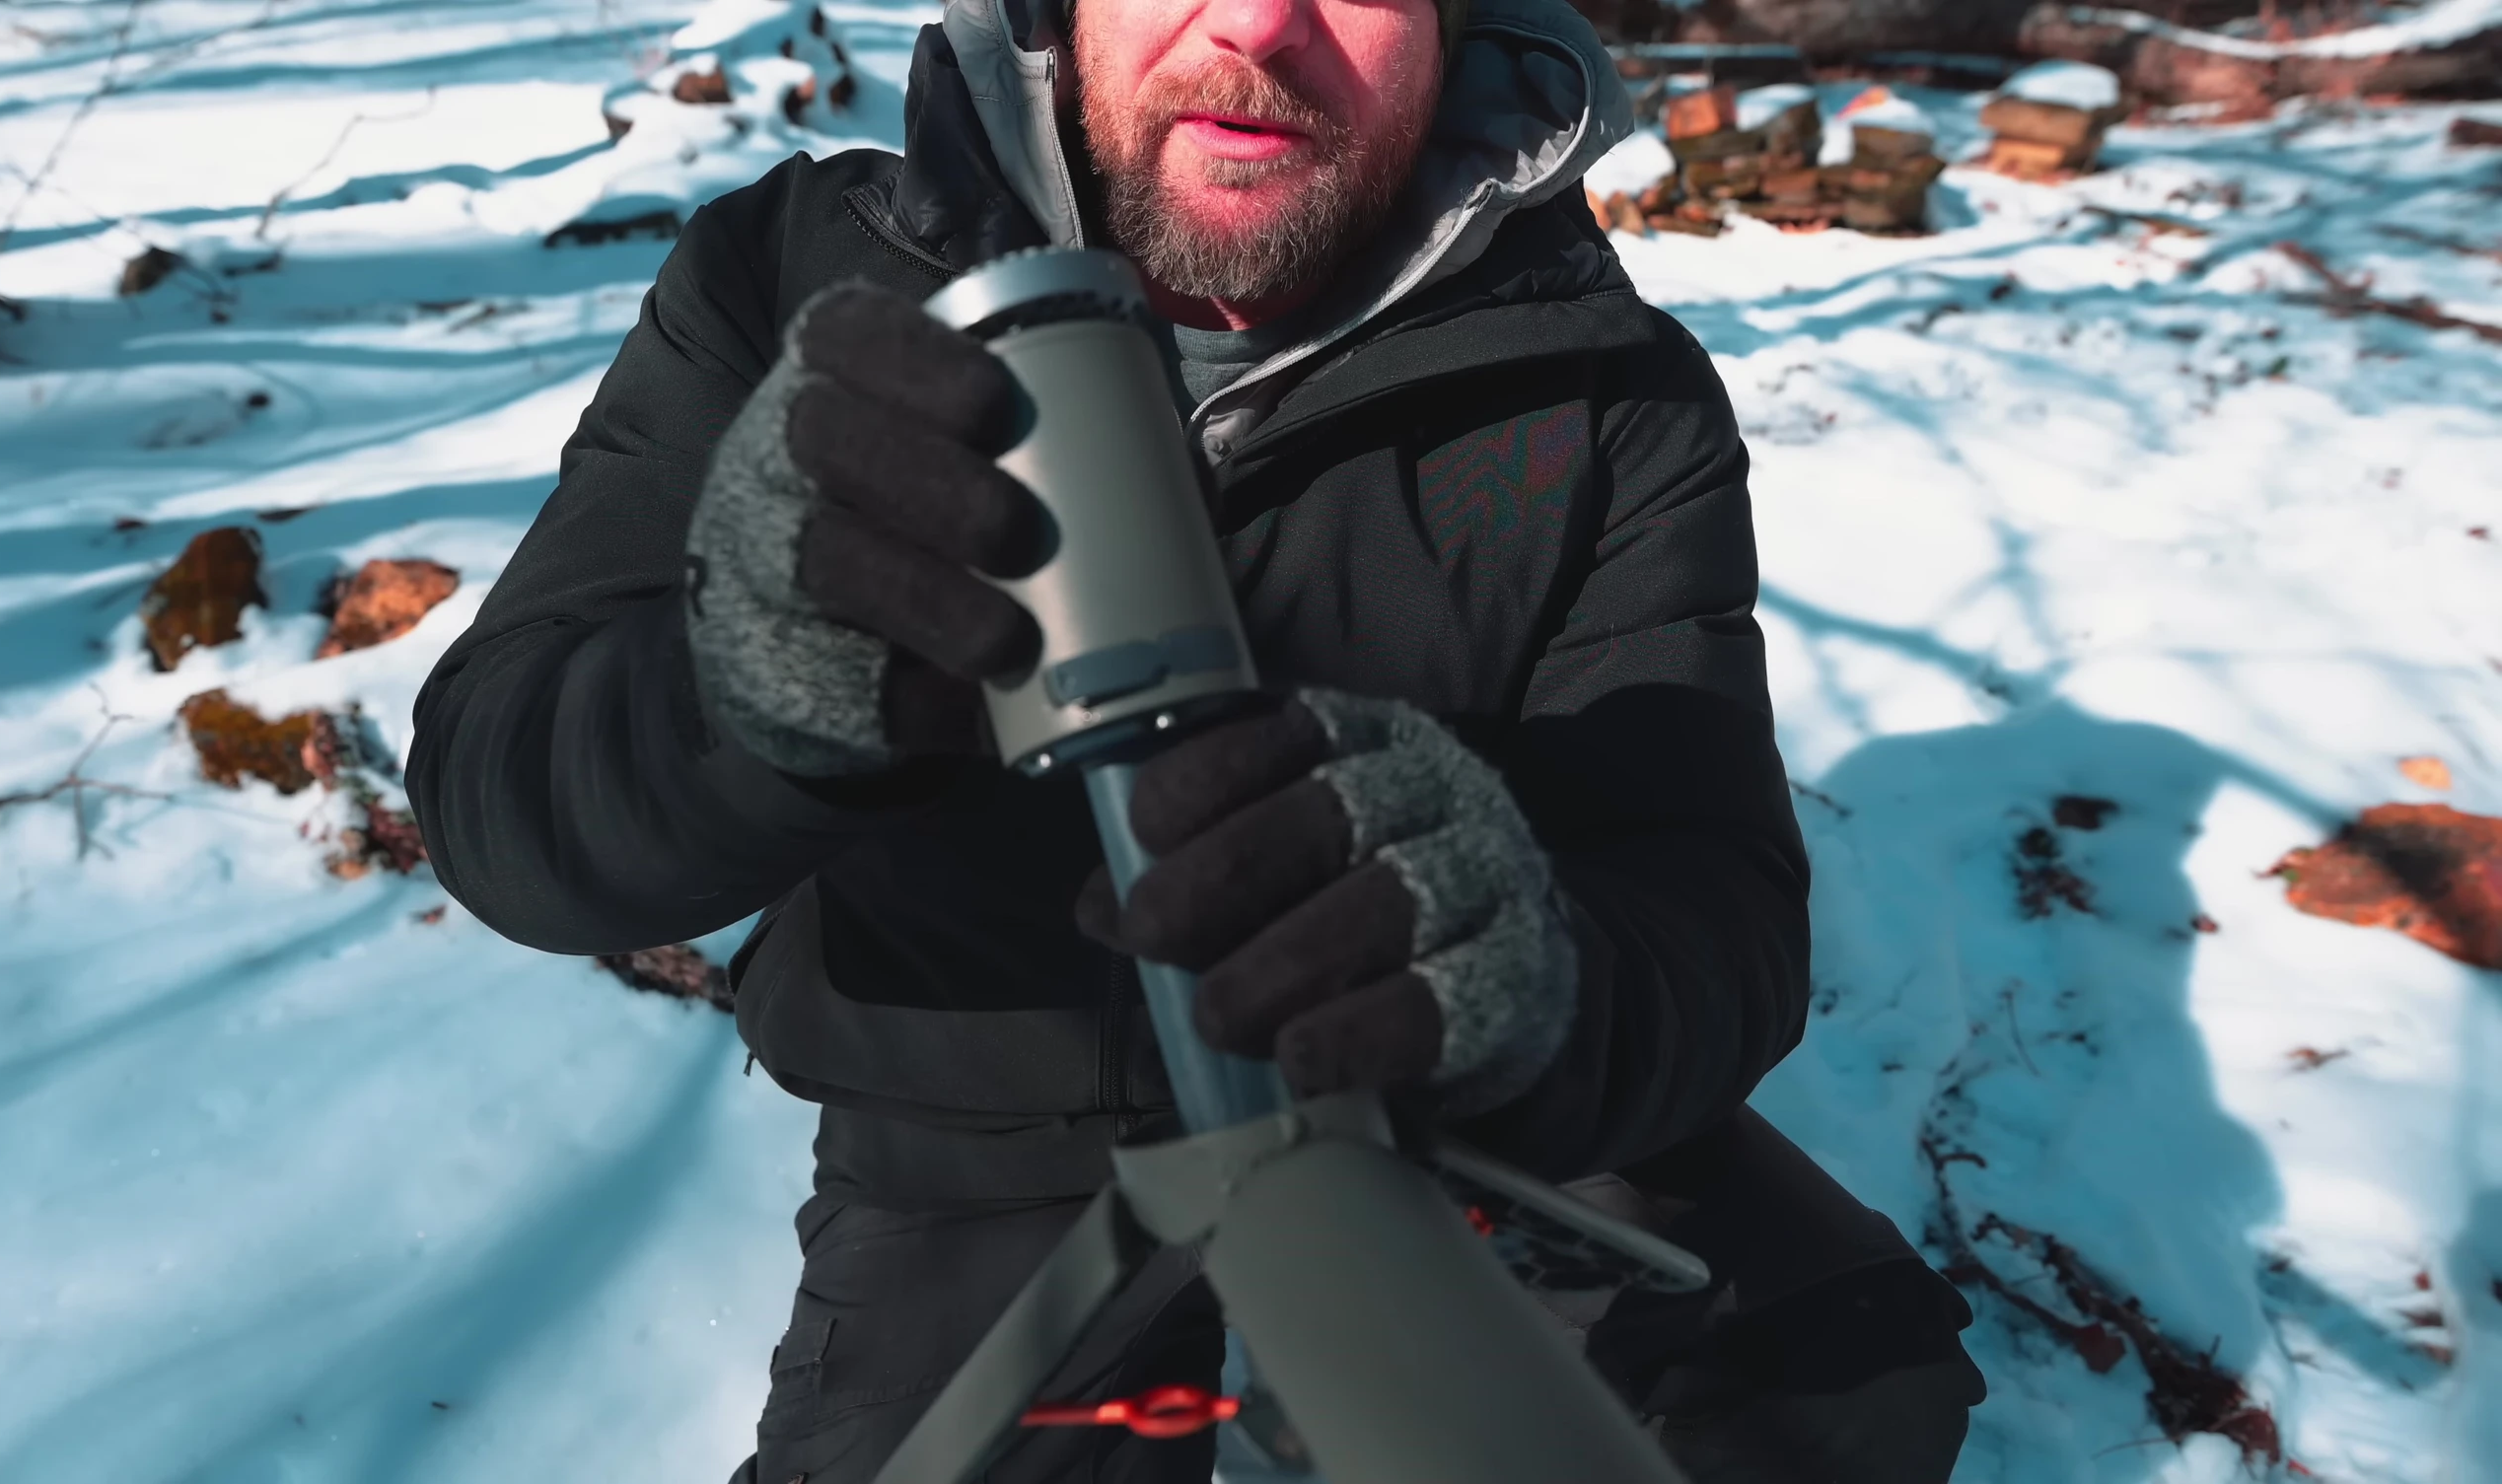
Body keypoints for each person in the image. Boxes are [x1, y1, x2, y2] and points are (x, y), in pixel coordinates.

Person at [408, 0, 1986, 1478]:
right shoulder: (801, 276)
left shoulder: (1606, 388)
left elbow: (1716, 908)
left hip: (1434, 1109)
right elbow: (503, 807)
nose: (1257, 25)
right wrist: (746, 685)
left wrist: (1523, 973)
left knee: (1838, 1388)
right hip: (982, 1134)